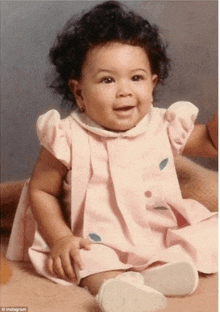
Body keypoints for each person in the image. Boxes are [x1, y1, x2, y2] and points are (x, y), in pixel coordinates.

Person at [6, 1, 218, 311]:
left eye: (136, 78)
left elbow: (212, 143)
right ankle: (115, 288)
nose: (125, 91)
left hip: (159, 231)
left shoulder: (162, 125)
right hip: (96, 239)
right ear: (79, 93)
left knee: (209, 231)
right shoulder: (67, 137)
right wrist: (62, 238)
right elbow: (41, 190)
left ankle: (157, 276)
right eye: (108, 80)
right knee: (86, 259)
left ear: (153, 83)